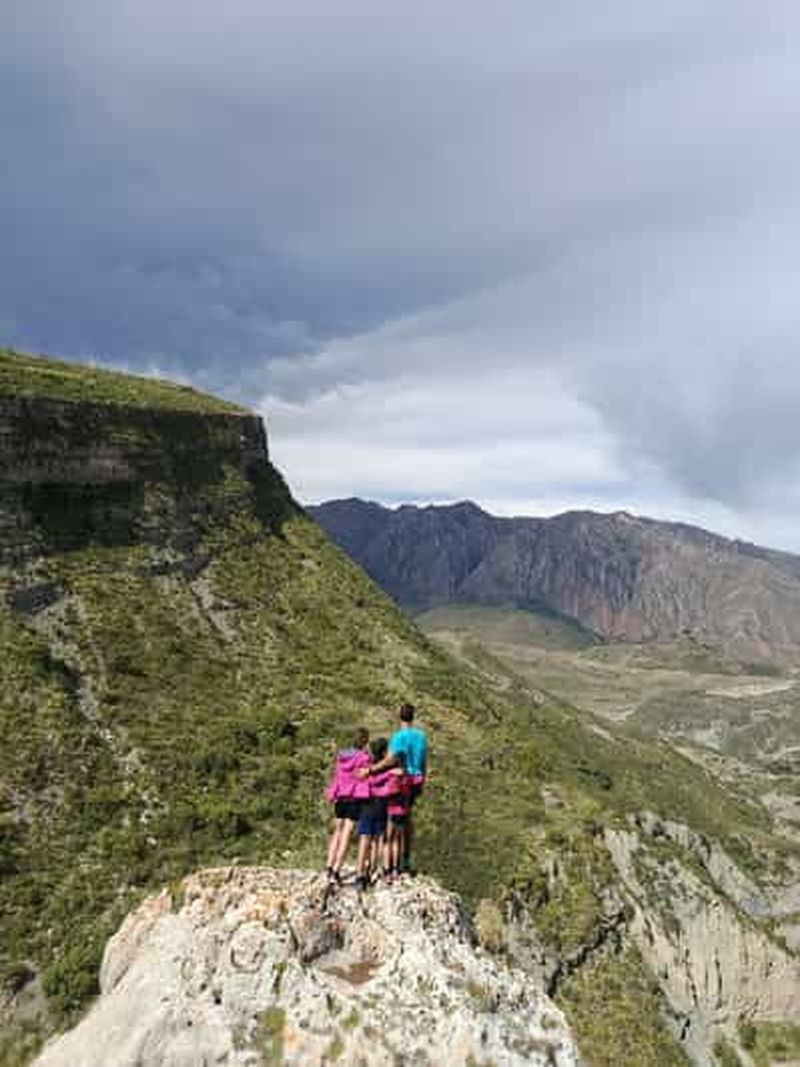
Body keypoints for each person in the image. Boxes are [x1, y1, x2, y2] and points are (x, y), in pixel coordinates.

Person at [365, 703, 427, 873]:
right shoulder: (421, 737)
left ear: (400, 716)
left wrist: (371, 770)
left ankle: (390, 864)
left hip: (401, 782)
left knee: (393, 823)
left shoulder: (398, 737)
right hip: (416, 780)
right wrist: (423, 780)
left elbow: (391, 760)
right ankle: (405, 859)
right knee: (407, 820)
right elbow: (423, 761)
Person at [324, 727, 371, 883]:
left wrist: (333, 793)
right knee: (346, 834)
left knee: (337, 832)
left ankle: (328, 866)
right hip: (354, 799)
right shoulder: (364, 758)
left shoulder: (342, 756)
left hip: (340, 798)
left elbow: (337, 777)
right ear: (365, 741)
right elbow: (366, 778)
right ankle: (336, 870)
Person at [354, 737, 397, 892]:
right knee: (378, 840)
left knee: (364, 840)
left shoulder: (367, 768)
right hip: (381, 805)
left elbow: (360, 779)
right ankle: (371, 871)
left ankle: (360, 875)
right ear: (384, 752)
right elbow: (391, 787)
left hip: (366, 805)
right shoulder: (387, 770)